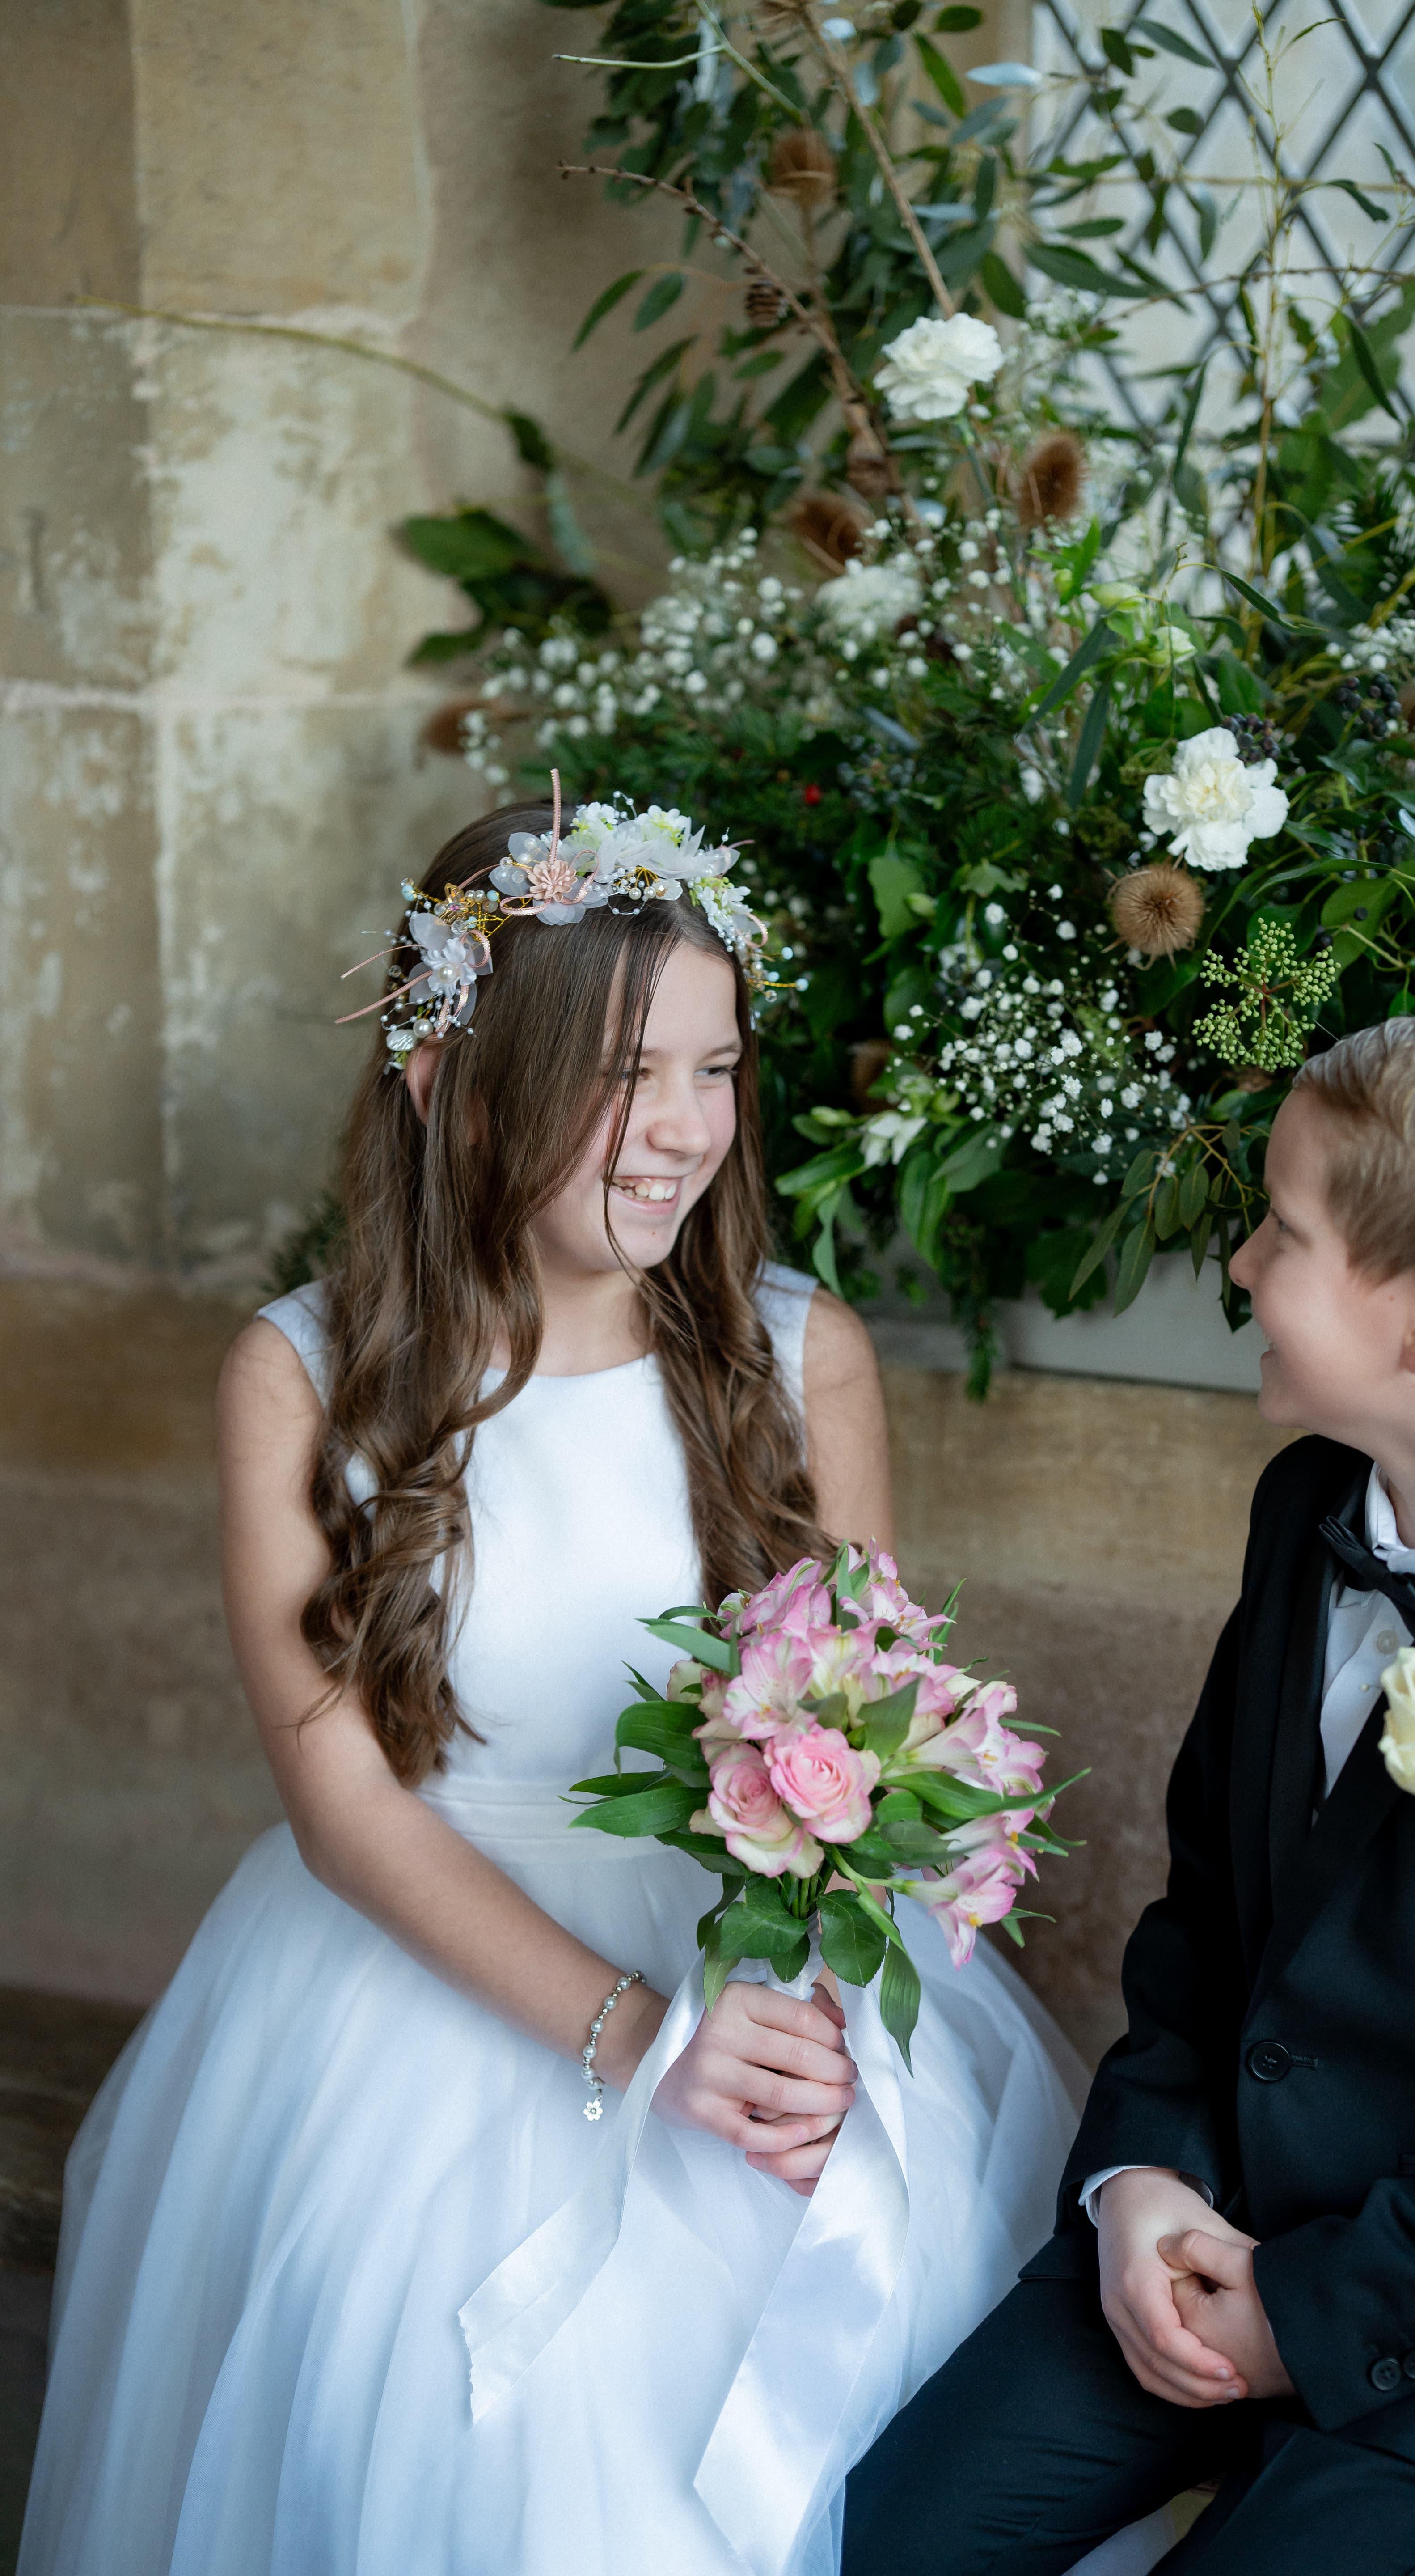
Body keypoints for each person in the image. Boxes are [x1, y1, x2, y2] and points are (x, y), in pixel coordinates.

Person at [21, 794, 1085, 2576]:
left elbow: (865, 1732)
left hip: (754, 1972)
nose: (681, 1131)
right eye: (618, 1076)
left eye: (715, 1066)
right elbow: (345, 1803)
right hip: (421, 1987)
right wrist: (639, 2035)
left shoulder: (795, 1360)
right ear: (449, 1081)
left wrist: (789, 2020)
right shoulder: (304, 1380)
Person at [843, 1007, 1415, 2576]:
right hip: (1217, 2211)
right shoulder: (1307, 1506)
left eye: (1284, 1230)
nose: (1241, 1265)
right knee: (892, 2539)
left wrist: (1306, 2318)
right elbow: (1210, 1920)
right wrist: (1142, 2181)